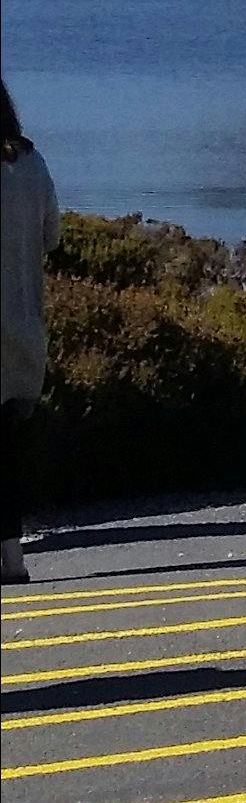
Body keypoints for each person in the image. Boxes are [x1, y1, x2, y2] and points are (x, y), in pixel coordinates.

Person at [1, 81, 60, 583]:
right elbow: (52, 237)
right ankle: (13, 557)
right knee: (6, 452)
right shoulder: (32, 165)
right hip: (22, 332)